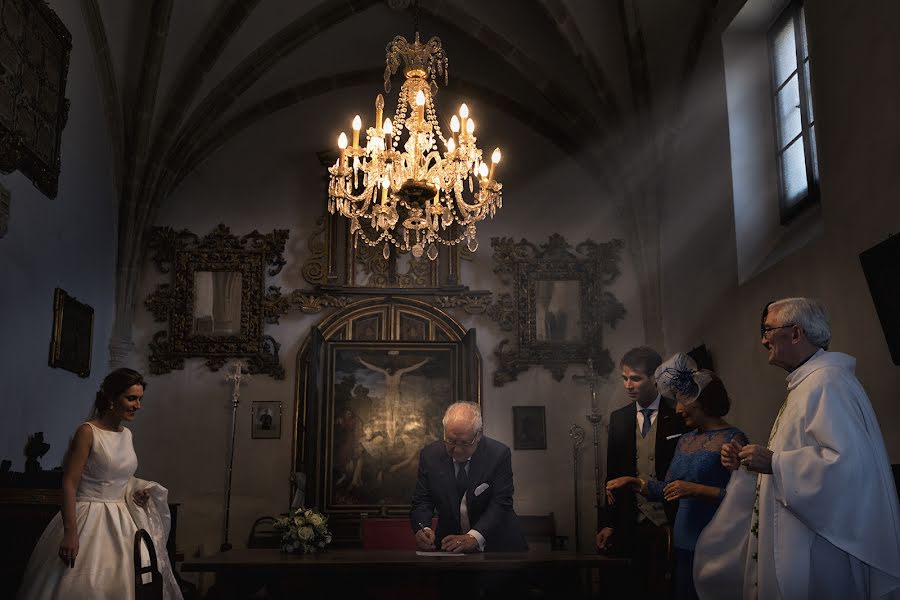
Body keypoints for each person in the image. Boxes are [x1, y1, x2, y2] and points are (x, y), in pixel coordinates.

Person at [694, 297, 900, 599]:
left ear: (795, 333)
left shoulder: (826, 383)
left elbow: (847, 465)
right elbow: (797, 455)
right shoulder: (806, 384)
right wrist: (747, 461)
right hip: (805, 533)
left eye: (767, 329)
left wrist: (775, 463)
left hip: (824, 545)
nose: (764, 339)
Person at [17, 368, 182, 600]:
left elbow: (120, 478)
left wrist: (134, 491)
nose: (138, 405)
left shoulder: (127, 435)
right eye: (131, 398)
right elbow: (69, 483)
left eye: (140, 399)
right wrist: (71, 533)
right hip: (89, 518)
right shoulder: (87, 432)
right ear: (111, 399)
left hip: (123, 520)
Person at [607, 353, 748, 600]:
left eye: (683, 400)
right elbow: (668, 488)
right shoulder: (685, 440)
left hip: (718, 541)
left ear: (702, 401)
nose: (679, 408)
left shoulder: (733, 440)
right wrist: (634, 483)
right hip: (682, 541)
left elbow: (746, 501)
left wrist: (696, 490)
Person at [597, 346, 686, 599]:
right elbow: (612, 475)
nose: (628, 385)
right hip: (630, 520)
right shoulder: (619, 418)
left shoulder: (677, 414)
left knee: (666, 589)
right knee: (631, 587)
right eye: (624, 378)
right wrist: (608, 523)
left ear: (654, 378)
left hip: (670, 519)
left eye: (635, 378)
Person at [410, 401, 527, 553]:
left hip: (497, 546)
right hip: (449, 546)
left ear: (478, 435)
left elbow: (501, 502)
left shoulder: (498, 454)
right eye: (451, 441)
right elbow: (422, 500)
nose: (457, 450)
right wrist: (423, 528)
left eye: (464, 443)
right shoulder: (430, 456)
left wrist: (474, 537)